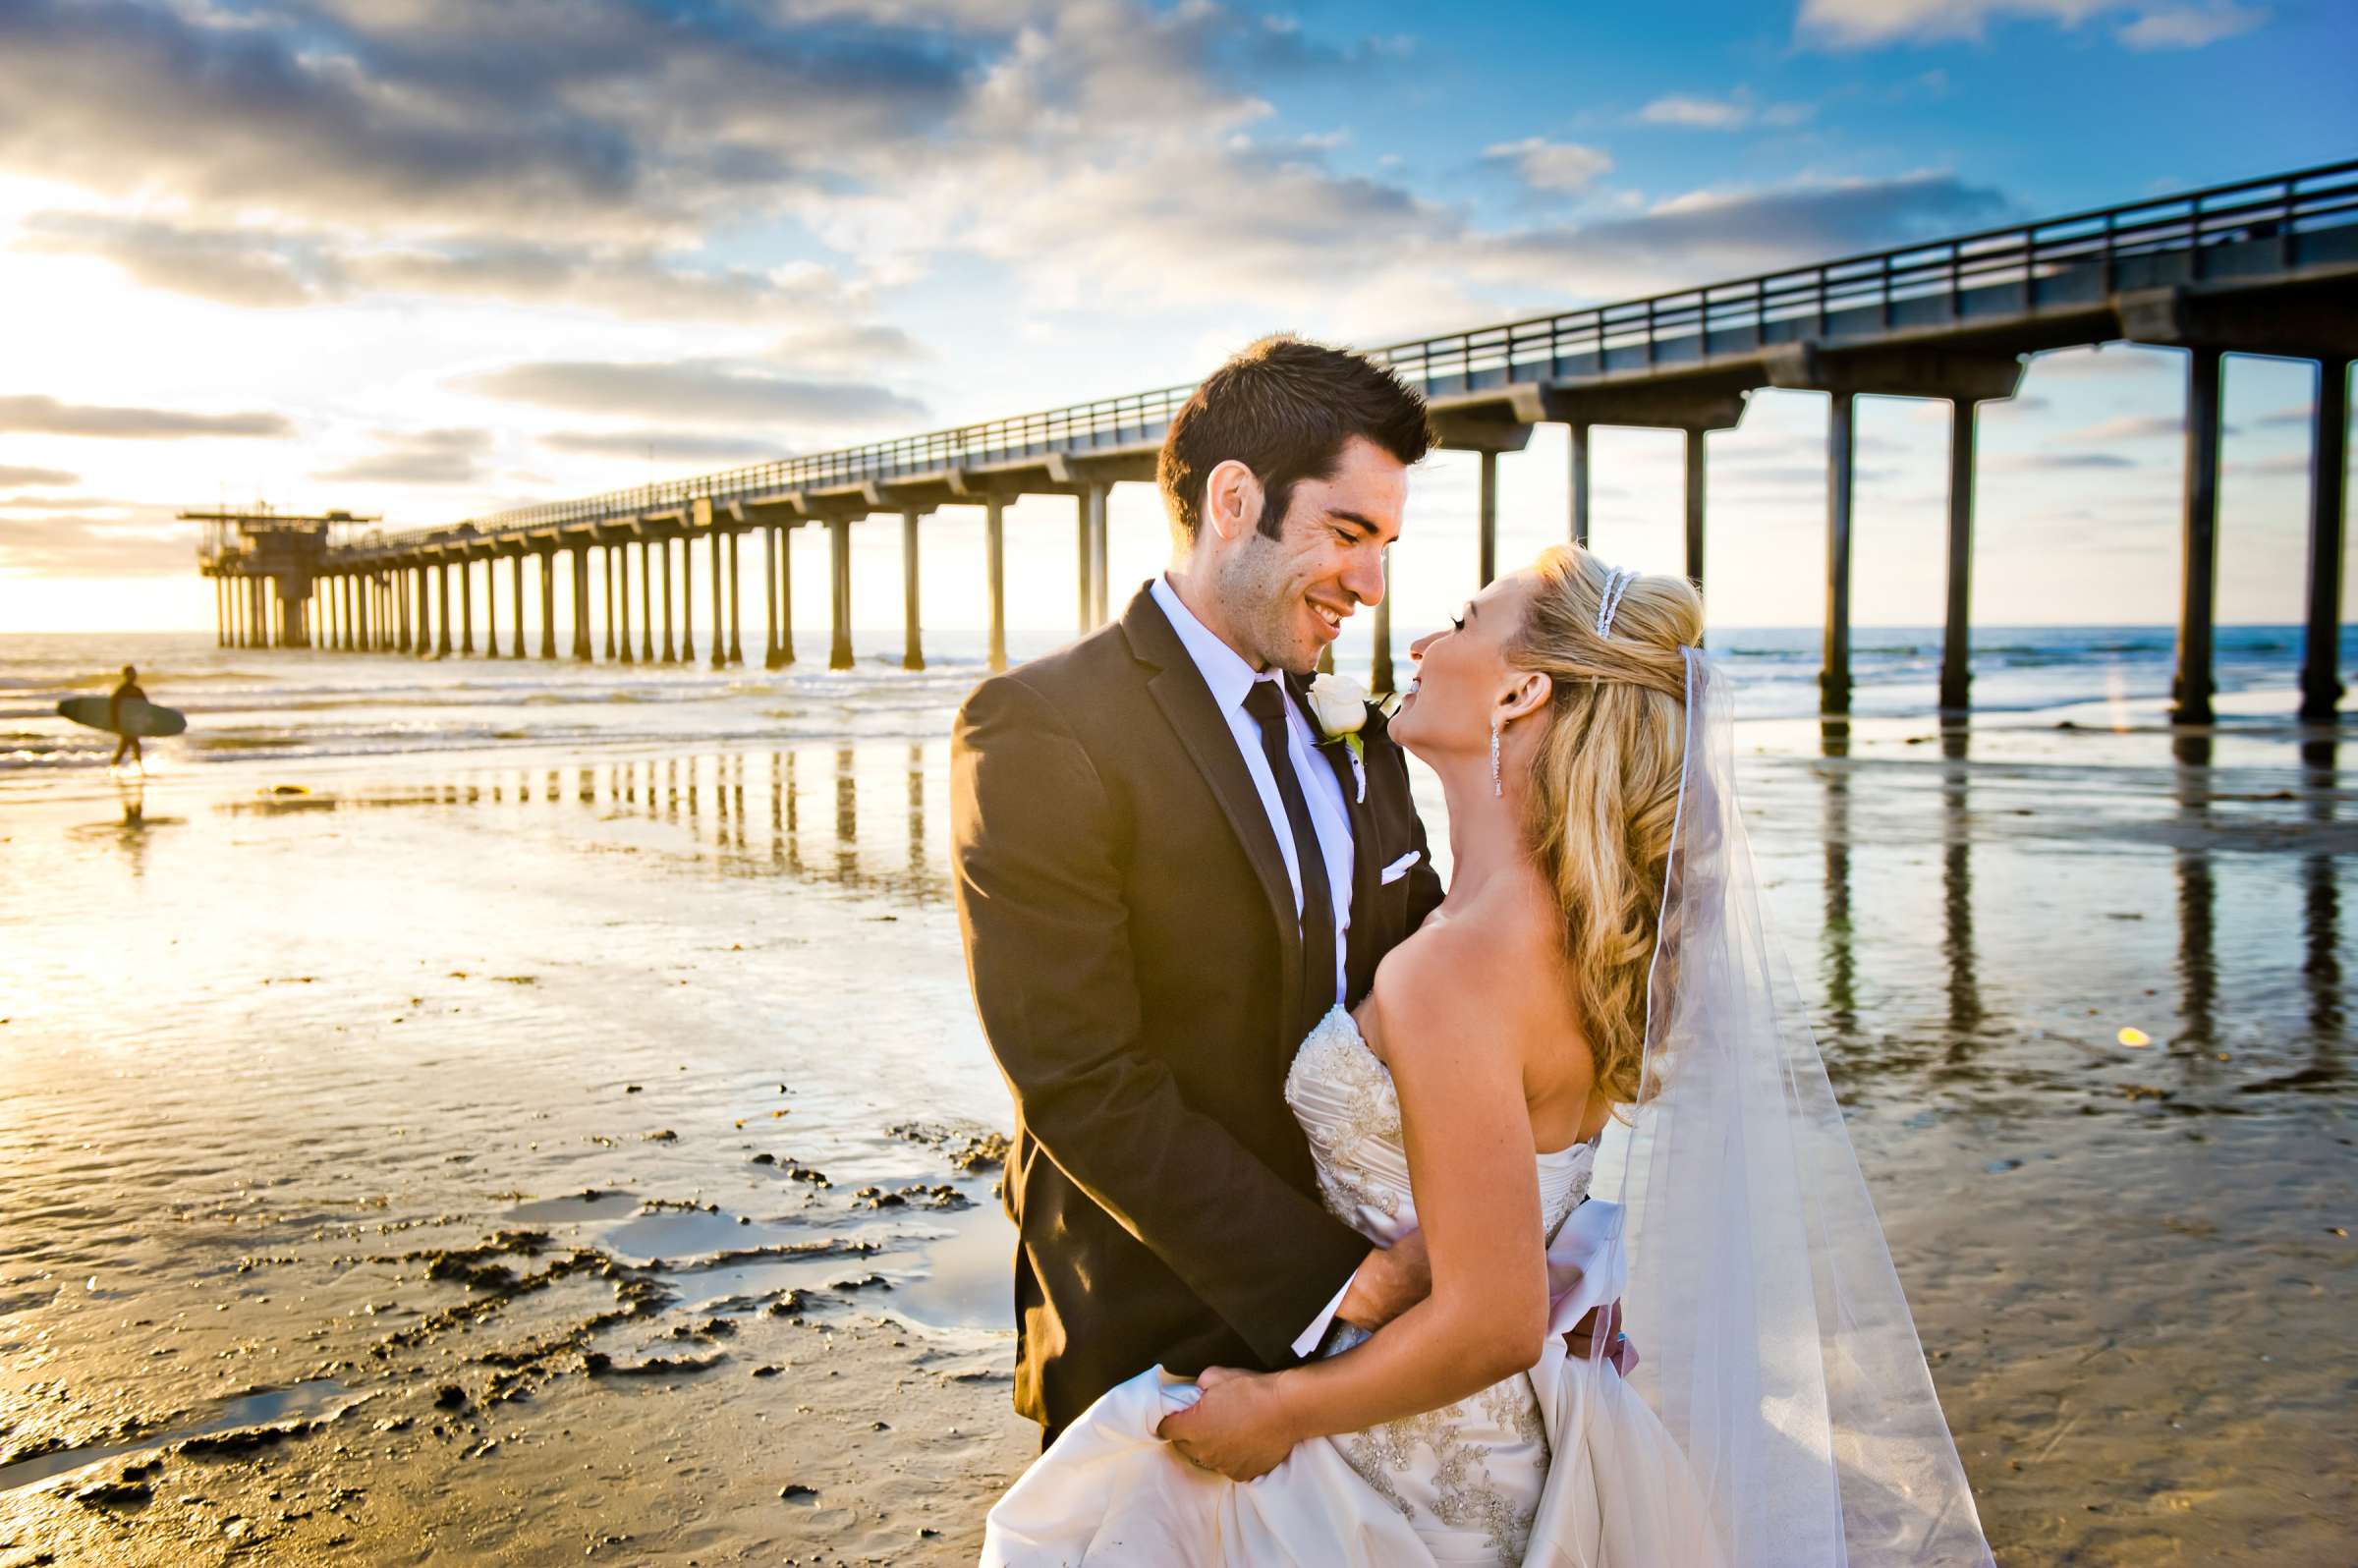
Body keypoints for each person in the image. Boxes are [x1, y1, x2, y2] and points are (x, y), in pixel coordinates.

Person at [972, 536, 1997, 1562]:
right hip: (1516, 1431)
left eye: (1464, 624)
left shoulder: (1452, 972)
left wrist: (1284, 1412)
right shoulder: (1587, 943)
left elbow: (1497, 1319)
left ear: (1518, 696)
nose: (1420, 637)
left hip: (1396, 1465)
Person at [950, 336, 1452, 1453]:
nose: (1371, 585)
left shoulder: (1359, 733)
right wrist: (1340, 1284)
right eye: (1348, 533)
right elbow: (1079, 1077)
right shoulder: (1040, 727)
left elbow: (1426, 974)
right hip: (1160, 1319)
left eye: (1386, 545)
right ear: (1235, 500)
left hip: (1383, 1314)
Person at [107, 664, 146, 771]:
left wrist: (143, 722)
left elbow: (145, 706)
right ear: (125, 675)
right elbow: (113, 706)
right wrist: (115, 723)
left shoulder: (137, 690)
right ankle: (139, 770)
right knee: (133, 745)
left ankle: (113, 768)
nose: (134, 675)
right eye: (131, 673)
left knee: (127, 746)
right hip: (125, 724)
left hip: (133, 724)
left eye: (134, 673)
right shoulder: (122, 690)